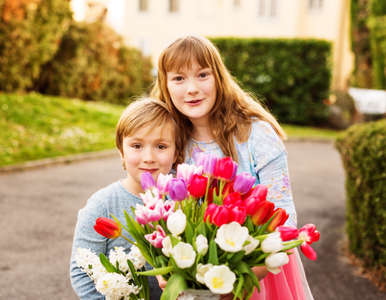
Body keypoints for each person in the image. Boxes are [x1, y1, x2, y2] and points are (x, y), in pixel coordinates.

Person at [151, 35, 314, 300]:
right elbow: (164, 214)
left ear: (218, 77)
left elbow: (284, 215)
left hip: (257, 273)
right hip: (195, 281)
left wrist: (239, 282)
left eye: (202, 75)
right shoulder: (168, 143)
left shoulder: (256, 136)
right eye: (179, 78)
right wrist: (163, 266)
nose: (191, 88)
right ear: (165, 85)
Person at [70, 97, 182, 300]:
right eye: (137, 146)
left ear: (176, 153)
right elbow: (82, 272)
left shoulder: (186, 202)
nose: (148, 157)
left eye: (161, 146)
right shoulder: (102, 205)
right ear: (121, 151)